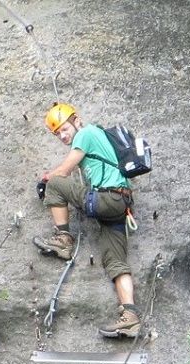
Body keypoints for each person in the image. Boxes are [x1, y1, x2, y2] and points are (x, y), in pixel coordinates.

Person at [32, 102, 140, 339]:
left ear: (76, 120)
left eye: (64, 128)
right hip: (119, 204)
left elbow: (64, 171)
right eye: (57, 133)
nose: (62, 135)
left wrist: (46, 180)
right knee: (115, 261)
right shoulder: (96, 137)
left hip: (108, 199)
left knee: (55, 183)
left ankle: (63, 240)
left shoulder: (87, 133)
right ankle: (130, 317)